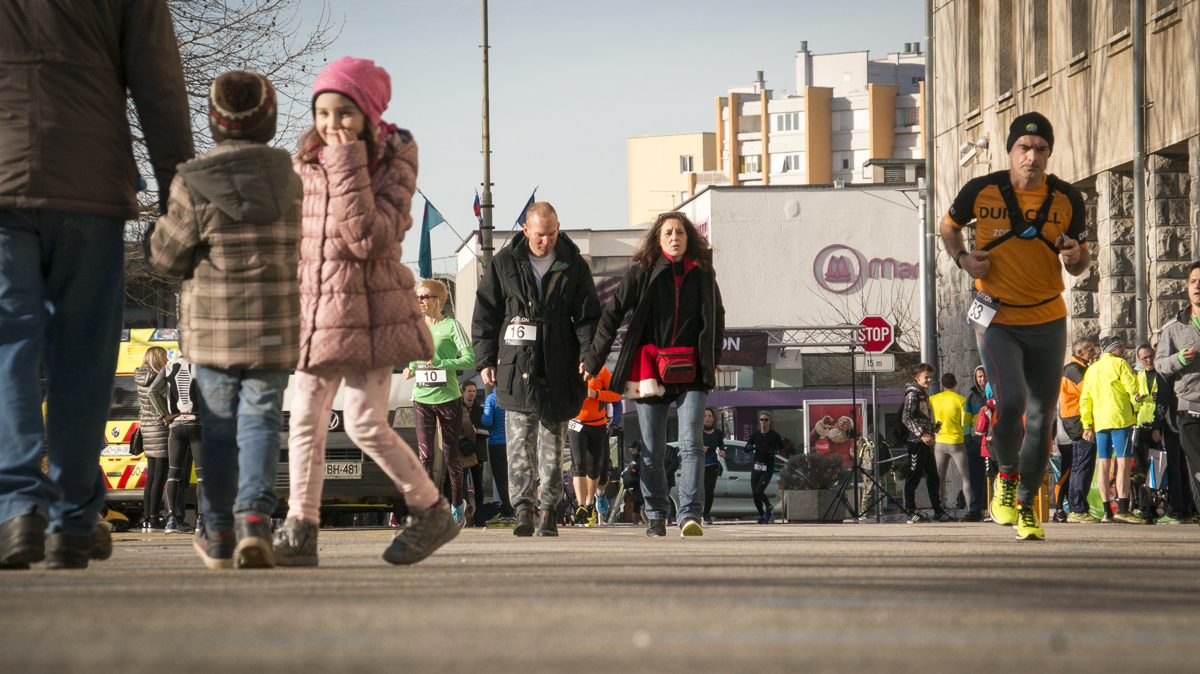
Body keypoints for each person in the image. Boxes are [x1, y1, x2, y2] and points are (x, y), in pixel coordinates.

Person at [0, 1, 192, 570]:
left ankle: (16, 506)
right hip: (90, 182)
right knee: (83, 356)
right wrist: (177, 195)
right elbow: (159, 85)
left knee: (9, 345)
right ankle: (74, 515)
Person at [274, 57, 458, 567]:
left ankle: (430, 510)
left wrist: (347, 161)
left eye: (344, 113)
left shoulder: (392, 159)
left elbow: (368, 238)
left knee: (362, 423)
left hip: (372, 312)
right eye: (323, 113)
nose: (332, 124)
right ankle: (300, 528)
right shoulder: (306, 161)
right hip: (319, 313)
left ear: (368, 114)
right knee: (304, 419)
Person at [146, 70, 301, 568]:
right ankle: (255, 520)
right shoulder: (291, 179)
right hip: (274, 326)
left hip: (213, 331)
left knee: (215, 428)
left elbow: (166, 258)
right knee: (261, 421)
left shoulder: (192, 181)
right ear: (268, 119)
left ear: (215, 121)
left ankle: (217, 533)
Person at [940, 112, 1090, 541]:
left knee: (1042, 417)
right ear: (1010, 151)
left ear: (1049, 153)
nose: (1032, 156)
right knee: (1010, 403)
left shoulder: (1067, 198)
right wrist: (963, 259)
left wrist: (1075, 256)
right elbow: (948, 227)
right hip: (997, 317)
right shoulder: (980, 190)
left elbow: (1081, 261)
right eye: (1024, 148)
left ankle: (1026, 506)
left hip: (1047, 317)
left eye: (1040, 149)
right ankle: (1006, 474)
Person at [584, 212, 725, 538]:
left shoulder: (703, 273)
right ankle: (657, 515)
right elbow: (612, 314)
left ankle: (690, 515)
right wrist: (593, 360)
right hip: (650, 368)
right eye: (668, 233)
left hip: (692, 369)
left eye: (680, 232)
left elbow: (717, 316)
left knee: (692, 444)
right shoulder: (642, 272)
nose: (675, 237)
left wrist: (713, 356)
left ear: (689, 238)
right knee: (652, 449)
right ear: (658, 240)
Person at [473, 201, 601, 537]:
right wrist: (485, 359)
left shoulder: (574, 264)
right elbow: (486, 313)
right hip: (517, 365)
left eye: (552, 234)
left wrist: (588, 356)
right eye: (540, 235)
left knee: (552, 446)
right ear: (526, 230)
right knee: (519, 442)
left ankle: (548, 511)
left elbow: (588, 317)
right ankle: (523, 510)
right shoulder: (504, 262)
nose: (546, 241)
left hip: (560, 365)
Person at [403, 279, 475, 529]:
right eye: (417, 297)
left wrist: (441, 364)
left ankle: (457, 505)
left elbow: (469, 359)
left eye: (424, 297)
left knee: (449, 456)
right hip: (421, 398)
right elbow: (415, 359)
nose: (420, 301)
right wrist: (410, 369)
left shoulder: (452, 326)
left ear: (439, 300)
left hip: (448, 399)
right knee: (425, 456)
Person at [1153, 261, 1200, 524]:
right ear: (1187, 287)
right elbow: (1160, 364)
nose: (1198, 286)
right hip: (1190, 405)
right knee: (1198, 465)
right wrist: (1179, 359)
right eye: (1193, 281)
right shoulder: (1174, 327)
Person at [1079, 337, 1144, 524]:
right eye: (1121, 347)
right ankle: (1123, 509)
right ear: (1113, 349)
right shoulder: (1120, 364)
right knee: (1123, 463)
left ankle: (1107, 511)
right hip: (1120, 419)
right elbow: (1132, 388)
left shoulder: (1092, 369)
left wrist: (1087, 424)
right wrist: (1136, 399)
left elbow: (1085, 399)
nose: (1124, 349)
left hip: (1100, 422)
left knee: (1103, 465)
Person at [148, 354, 203, 536]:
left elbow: (152, 391)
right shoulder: (201, 366)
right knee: (202, 476)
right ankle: (201, 520)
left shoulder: (168, 368)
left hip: (176, 426)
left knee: (173, 474)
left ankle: (171, 520)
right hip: (197, 424)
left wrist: (164, 415)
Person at [1151, 341, 1198, 524]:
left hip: (1174, 422)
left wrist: (1157, 425)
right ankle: (1187, 509)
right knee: (1187, 466)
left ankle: (1175, 511)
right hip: (1190, 418)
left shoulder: (1165, 371)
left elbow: (1162, 400)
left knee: (1174, 468)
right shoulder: (1188, 367)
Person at [569, 366, 621, 526]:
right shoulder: (570, 368)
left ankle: (591, 502)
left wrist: (597, 394)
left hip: (598, 425)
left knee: (595, 470)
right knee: (579, 466)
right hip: (576, 423)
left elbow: (616, 396)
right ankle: (581, 506)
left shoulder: (602, 371)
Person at [902, 364, 949, 523]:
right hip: (916, 442)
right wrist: (922, 434)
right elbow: (906, 418)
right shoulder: (913, 393)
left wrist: (932, 428)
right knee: (914, 475)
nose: (929, 380)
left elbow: (920, 417)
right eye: (926, 377)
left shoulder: (923, 392)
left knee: (933, 476)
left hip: (926, 441)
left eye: (930, 377)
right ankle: (911, 511)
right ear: (917, 378)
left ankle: (938, 510)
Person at [1060, 338, 1099, 523]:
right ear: (1079, 353)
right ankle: (1078, 508)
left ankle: (1076, 508)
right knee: (1083, 466)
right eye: (1090, 350)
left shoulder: (1076, 368)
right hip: (1079, 421)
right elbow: (1089, 391)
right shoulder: (1075, 370)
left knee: (1078, 466)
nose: (1094, 352)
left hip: (1075, 420)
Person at [135, 347, 172, 532]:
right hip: (160, 428)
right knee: (159, 476)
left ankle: (147, 517)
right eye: (165, 356)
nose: (167, 359)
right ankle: (155, 518)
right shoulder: (159, 378)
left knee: (151, 477)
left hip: (147, 429)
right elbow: (166, 400)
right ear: (158, 358)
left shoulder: (140, 378)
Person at [930, 373, 971, 521]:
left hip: (940, 441)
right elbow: (964, 422)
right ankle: (970, 510)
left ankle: (939, 510)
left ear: (942, 385)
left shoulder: (933, 399)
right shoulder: (961, 400)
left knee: (939, 478)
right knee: (965, 477)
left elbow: (928, 417)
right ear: (956, 383)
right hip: (956, 442)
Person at [1131, 343, 1159, 521]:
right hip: (1142, 427)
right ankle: (1144, 508)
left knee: (1159, 467)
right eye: (1145, 358)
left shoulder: (1162, 374)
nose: (1149, 360)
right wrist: (1136, 399)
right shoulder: (1138, 377)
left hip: (1159, 426)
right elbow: (1132, 404)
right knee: (1142, 470)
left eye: (1151, 356)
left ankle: (1159, 507)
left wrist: (1162, 397)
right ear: (1139, 360)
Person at [480, 389, 515, 523]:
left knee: (501, 480)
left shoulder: (491, 399)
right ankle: (514, 510)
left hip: (496, 444)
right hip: (512, 444)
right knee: (512, 478)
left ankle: (507, 511)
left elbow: (487, 421)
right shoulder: (511, 396)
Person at [962, 366, 990, 521]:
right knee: (975, 477)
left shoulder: (996, 394)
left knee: (993, 476)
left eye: (985, 376)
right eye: (979, 376)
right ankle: (975, 509)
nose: (982, 379)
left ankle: (994, 508)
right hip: (975, 442)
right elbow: (967, 419)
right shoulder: (971, 397)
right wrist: (967, 439)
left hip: (991, 441)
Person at [458, 381, 487, 527]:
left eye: (474, 391)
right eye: (469, 391)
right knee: (462, 483)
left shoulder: (480, 410)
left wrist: (476, 431)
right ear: (463, 392)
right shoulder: (459, 408)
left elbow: (487, 430)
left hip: (478, 451)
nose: (472, 394)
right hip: (463, 451)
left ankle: (479, 516)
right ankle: (466, 511)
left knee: (478, 484)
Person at [746, 412, 784, 524]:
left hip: (768, 466)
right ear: (759, 421)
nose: (764, 422)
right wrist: (750, 447)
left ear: (769, 421)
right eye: (762, 419)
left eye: (766, 420)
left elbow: (782, 448)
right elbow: (746, 448)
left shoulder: (774, 435)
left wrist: (775, 451)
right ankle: (762, 516)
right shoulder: (755, 435)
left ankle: (769, 507)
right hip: (756, 466)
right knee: (755, 493)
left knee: (759, 490)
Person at [702, 409, 727, 525]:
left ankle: (706, 514)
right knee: (698, 489)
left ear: (713, 418)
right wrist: (700, 448)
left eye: (709, 416)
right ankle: (695, 512)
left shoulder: (717, 432)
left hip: (712, 463)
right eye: (705, 416)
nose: (707, 418)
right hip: (699, 464)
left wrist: (722, 451)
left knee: (709, 489)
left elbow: (721, 444)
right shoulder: (698, 431)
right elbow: (691, 444)